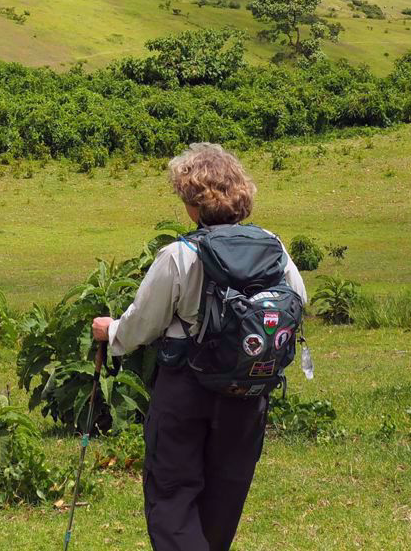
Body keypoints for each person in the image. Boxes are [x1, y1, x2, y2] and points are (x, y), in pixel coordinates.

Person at [91, 143, 307, 551]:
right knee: (225, 497)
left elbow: (142, 323)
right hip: (247, 390)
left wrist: (110, 331)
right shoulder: (274, 247)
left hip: (185, 387)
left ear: (193, 205)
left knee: (172, 495)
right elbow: (299, 299)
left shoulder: (180, 254)